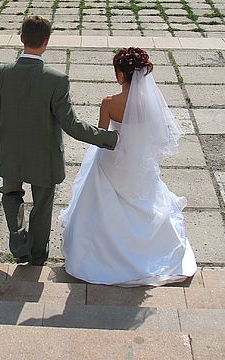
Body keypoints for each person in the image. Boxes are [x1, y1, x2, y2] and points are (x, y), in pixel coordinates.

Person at [0, 15, 118, 266]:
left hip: (12, 153)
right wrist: (108, 138)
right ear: (47, 42)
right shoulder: (56, 80)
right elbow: (71, 125)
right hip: (45, 157)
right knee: (42, 204)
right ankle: (38, 254)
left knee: (11, 194)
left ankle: (18, 242)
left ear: (21, 38)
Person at [60, 47, 196, 286]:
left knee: (97, 182)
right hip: (139, 162)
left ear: (120, 75)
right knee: (148, 196)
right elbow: (155, 136)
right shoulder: (151, 103)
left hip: (113, 161)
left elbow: (102, 136)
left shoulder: (109, 103)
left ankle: (103, 248)